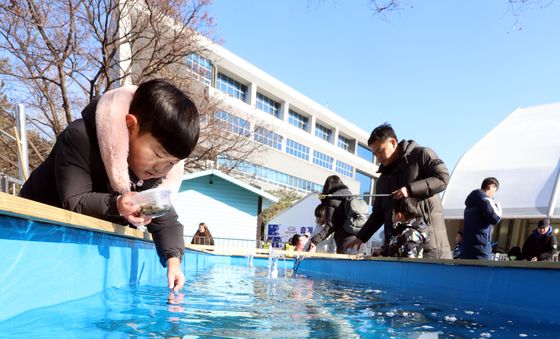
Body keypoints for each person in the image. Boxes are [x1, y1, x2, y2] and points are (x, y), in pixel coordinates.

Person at [19, 79, 200, 292]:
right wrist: (117, 205)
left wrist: (173, 261)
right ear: (131, 125)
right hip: (28, 230)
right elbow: (74, 201)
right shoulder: (81, 137)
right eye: (158, 154)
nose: (161, 168)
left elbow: (165, 220)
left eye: (171, 163)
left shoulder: (148, 172)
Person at [345, 123, 452, 259]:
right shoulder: (383, 180)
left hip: (431, 249)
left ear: (393, 142)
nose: (378, 157)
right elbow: (378, 214)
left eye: (380, 150)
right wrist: (361, 238)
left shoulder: (421, 155)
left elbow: (442, 178)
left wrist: (410, 189)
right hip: (398, 252)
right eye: (375, 153)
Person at [308, 175, 358, 254]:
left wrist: (315, 241)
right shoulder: (351, 196)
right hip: (358, 240)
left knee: (344, 265)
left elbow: (331, 225)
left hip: (345, 240)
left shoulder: (332, 200)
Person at [459, 177, 502, 260]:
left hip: (466, 250)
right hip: (480, 250)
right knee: (484, 272)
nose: (493, 195)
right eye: (494, 191)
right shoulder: (485, 200)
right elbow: (495, 218)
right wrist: (499, 208)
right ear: (490, 186)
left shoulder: (469, 205)